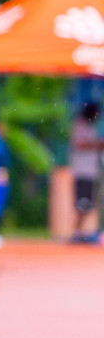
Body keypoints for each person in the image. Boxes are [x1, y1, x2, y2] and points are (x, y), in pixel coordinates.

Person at [68, 101, 103, 240]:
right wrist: (97, 143)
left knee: (87, 205)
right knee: (81, 204)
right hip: (82, 171)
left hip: (91, 172)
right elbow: (79, 143)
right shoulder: (79, 125)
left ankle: (80, 233)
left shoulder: (91, 128)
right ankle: (76, 232)